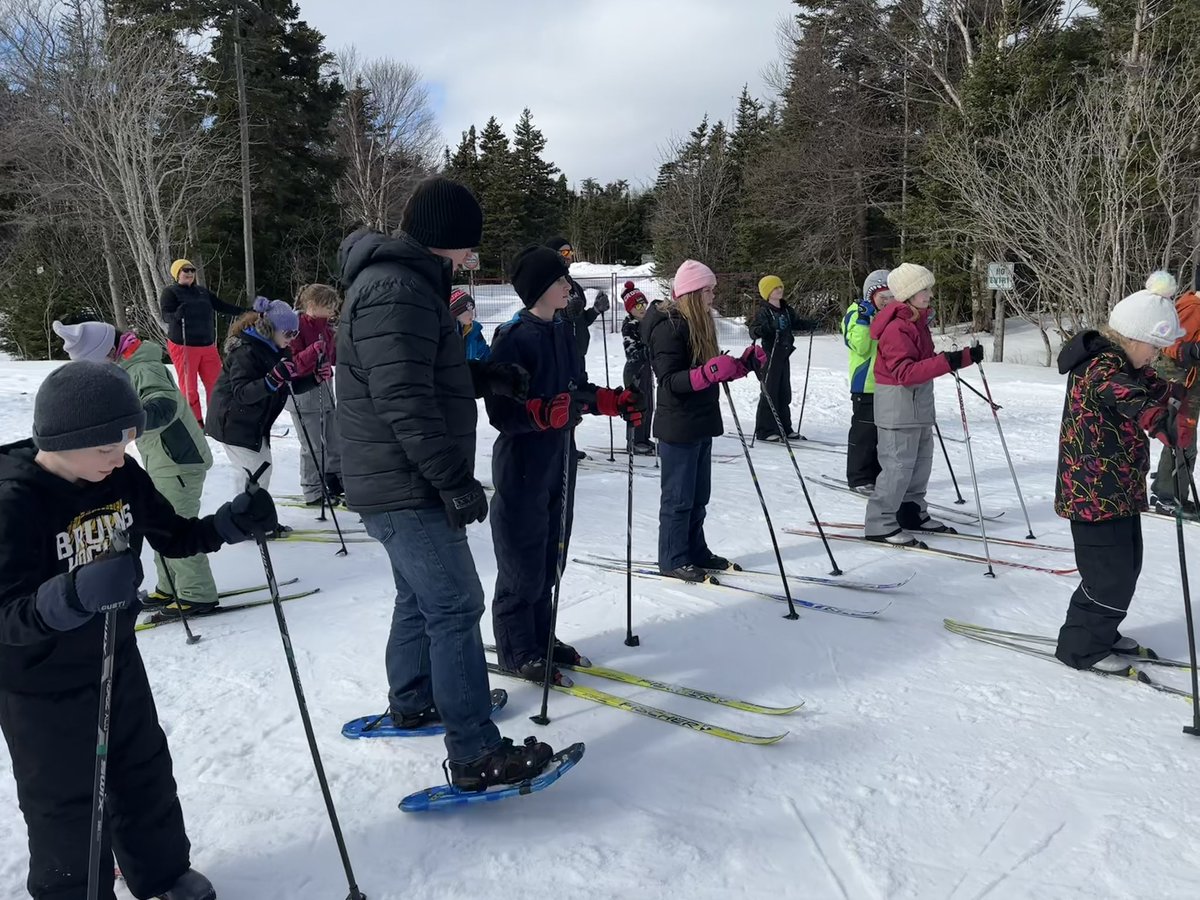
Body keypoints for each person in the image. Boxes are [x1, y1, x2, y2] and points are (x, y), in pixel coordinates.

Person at [0, 360, 278, 900]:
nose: (119, 456)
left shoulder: (122, 474)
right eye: (105, 447)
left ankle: (162, 870)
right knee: (65, 797)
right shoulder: (15, 503)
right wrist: (71, 595)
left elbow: (171, 534)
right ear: (63, 440)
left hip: (114, 654)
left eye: (125, 442)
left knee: (143, 768)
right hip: (39, 681)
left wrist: (228, 523)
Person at [336, 175, 555, 791]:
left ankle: (415, 699)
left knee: (420, 598)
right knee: (456, 603)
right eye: (468, 247)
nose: (471, 259)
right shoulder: (396, 290)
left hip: (398, 479)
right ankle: (476, 754)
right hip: (406, 482)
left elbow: (422, 372)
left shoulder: (405, 286)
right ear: (447, 241)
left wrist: (483, 377)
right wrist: (452, 480)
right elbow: (402, 398)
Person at [485, 245, 642, 684]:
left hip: (560, 458)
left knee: (553, 552)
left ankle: (541, 635)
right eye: (559, 280)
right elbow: (501, 411)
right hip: (523, 461)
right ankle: (518, 649)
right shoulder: (512, 337)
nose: (567, 286)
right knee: (523, 558)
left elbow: (574, 389)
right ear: (538, 289)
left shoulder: (562, 329)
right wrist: (539, 412)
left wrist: (608, 401)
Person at [1054, 286, 1185, 673]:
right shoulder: (1102, 366)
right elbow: (1125, 394)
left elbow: (1158, 388)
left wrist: (1181, 399)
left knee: (1126, 569)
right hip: (1093, 494)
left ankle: (1103, 632)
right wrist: (1160, 420)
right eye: (1153, 346)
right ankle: (1082, 649)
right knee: (1107, 577)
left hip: (1118, 489)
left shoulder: (1129, 365)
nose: (1156, 356)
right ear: (1132, 337)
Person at [52, 320, 219, 618]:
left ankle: (196, 593)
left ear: (107, 351)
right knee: (157, 522)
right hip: (162, 459)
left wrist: (125, 427)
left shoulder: (143, 368)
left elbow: (164, 407)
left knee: (177, 525)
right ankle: (170, 587)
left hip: (179, 460)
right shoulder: (131, 366)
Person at [644, 259, 765, 582]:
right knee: (679, 498)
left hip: (701, 420)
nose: (713, 296)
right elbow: (670, 381)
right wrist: (710, 371)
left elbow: (713, 370)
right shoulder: (668, 326)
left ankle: (695, 549)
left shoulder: (701, 323)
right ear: (692, 293)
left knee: (699, 496)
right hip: (678, 424)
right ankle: (672, 557)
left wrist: (741, 364)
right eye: (708, 290)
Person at [866, 263, 981, 545]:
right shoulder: (896, 329)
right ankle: (879, 523)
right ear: (907, 294)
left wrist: (963, 358)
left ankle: (911, 512)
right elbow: (905, 373)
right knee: (897, 467)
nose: (930, 293)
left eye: (929, 288)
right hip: (898, 406)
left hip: (918, 405)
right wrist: (947, 362)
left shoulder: (916, 323)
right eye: (923, 289)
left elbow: (927, 363)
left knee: (920, 464)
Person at [205, 298, 320, 522]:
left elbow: (286, 384)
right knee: (258, 471)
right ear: (270, 329)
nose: (292, 339)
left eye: (295, 334)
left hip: (253, 423)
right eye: (288, 333)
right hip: (233, 423)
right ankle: (248, 521)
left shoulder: (279, 349)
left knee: (256, 471)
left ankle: (246, 518)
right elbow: (242, 393)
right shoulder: (245, 352)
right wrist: (272, 378)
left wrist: (314, 379)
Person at [158, 259, 246, 426]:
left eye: (192, 270)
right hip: (184, 345)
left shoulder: (201, 292)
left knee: (217, 383)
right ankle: (195, 421)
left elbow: (221, 305)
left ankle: (218, 417)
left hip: (207, 345)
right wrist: (177, 315)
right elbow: (166, 316)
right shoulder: (170, 292)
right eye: (186, 270)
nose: (190, 273)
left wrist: (245, 311)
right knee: (189, 387)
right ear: (177, 273)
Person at [285, 283, 344, 507]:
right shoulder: (295, 326)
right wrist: (314, 351)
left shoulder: (327, 328)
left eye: (334, 306)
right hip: (303, 395)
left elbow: (334, 355)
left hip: (326, 391)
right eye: (328, 306)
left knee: (333, 440)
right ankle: (312, 489)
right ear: (312, 305)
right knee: (312, 446)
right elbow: (293, 363)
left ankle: (334, 479)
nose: (332, 311)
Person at [1146, 271, 1200, 514]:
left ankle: (1169, 489)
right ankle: (1168, 497)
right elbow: (1170, 342)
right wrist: (1191, 350)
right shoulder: (1194, 308)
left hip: (1189, 381)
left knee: (1183, 438)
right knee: (1182, 439)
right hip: (1180, 382)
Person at [747, 274, 818, 442]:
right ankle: (765, 430)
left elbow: (796, 323)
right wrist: (770, 327)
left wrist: (810, 324)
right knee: (770, 391)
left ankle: (784, 427)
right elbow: (753, 331)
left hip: (784, 353)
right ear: (767, 292)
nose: (779, 290)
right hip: (769, 355)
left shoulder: (786, 309)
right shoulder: (764, 311)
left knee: (784, 391)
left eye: (780, 287)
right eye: (775, 288)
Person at [841, 269, 893, 492]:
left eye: (892, 297)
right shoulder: (856, 314)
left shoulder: (892, 314)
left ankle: (879, 475)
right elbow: (860, 346)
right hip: (866, 383)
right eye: (883, 297)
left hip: (889, 383)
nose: (887, 302)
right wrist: (864, 318)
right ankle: (859, 477)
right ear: (871, 295)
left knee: (885, 434)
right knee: (865, 433)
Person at [621, 281, 656, 454]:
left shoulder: (647, 323)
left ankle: (643, 438)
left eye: (644, 304)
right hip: (635, 372)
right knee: (636, 406)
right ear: (630, 309)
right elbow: (631, 352)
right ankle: (633, 440)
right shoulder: (630, 326)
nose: (642, 308)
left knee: (649, 405)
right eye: (637, 306)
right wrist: (649, 351)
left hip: (647, 370)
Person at [450, 288, 491, 361]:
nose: (472, 313)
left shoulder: (474, 330)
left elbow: (484, 354)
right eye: (468, 309)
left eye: (472, 309)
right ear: (456, 313)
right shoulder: (445, 334)